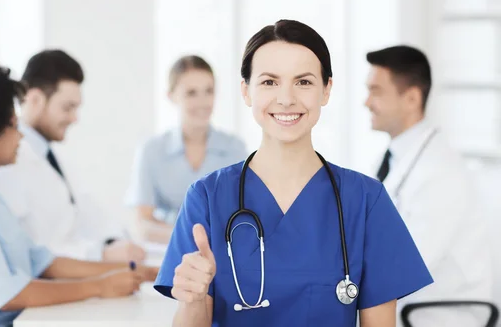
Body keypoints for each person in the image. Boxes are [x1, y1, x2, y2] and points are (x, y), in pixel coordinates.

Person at [153, 20, 433, 326]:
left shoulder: (366, 201)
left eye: (304, 82)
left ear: (326, 90)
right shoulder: (206, 198)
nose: (286, 99)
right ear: (246, 91)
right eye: (269, 82)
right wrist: (193, 299)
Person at [0, 60, 157, 327]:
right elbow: (6, 295)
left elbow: (43, 263)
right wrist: (99, 286)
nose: (20, 137)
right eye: (14, 126)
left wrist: (135, 272)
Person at [364, 45, 493, 325]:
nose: (367, 102)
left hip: (436, 316)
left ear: (411, 98)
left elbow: (407, 266)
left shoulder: (440, 173)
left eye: (376, 91)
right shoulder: (397, 158)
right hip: (406, 309)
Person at [0, 49, 146, 263]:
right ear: (35, 99)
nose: (75, 119)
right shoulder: (7, 163)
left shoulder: (52, 156)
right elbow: (27, 249)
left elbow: (86, 213)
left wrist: (113, 242)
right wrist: (99, 254)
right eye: (68, 108)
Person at [125, 55, 247, 244]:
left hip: (223, 253)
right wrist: (195, 237)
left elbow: (244, 214)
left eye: (209, 91)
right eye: (191, 93)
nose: (203, 102)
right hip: (167, 251)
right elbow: (142, 224)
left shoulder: (235, 149)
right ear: (171, 96)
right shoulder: (151, 150)